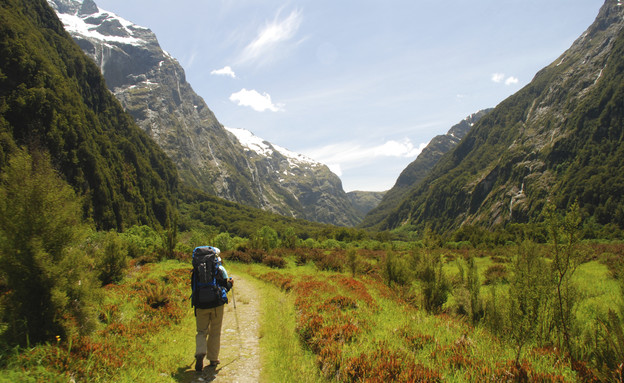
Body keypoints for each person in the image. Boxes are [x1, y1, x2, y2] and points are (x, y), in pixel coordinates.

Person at [192, 246, 233, 372]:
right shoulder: (220, 269)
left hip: (200, 304)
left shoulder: (196, 271)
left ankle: (200, 353)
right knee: (215, 331)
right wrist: (230, 285)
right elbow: (224, 287)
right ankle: (213, 359)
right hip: (216, 305)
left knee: (201, 331)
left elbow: (193, 288)